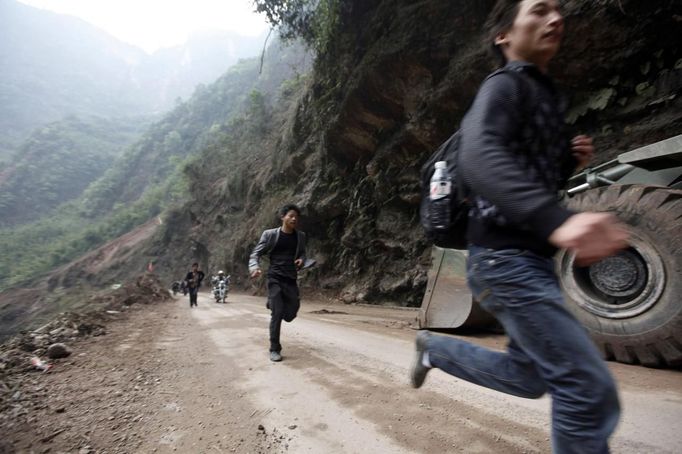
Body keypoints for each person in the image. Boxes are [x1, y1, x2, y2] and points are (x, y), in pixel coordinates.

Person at [410, 1, 629, 453]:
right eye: (540, 10)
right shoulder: (505, 85)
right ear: (504, 35)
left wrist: (567, 161)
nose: (556, 18)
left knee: (529, 377)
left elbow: (527, 179)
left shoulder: (543, 94)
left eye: (558, 10)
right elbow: (480, 158)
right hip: (505, 261)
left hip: (524, 260)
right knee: (587, 389)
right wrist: (557, 222)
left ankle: (435, 350)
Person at [249, 204, 307, 362]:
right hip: (274, 277)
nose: (294, 218)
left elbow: (302, 253)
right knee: (278, 313)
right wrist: (254, 267)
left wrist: (301, 260)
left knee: (291, 313)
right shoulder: (269, 235)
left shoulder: (300, 236)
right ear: (283, 217)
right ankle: (275, 349)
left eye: (296, 216)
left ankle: (272, 303)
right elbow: (256, 253)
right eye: (290, 215)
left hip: (290, 277)